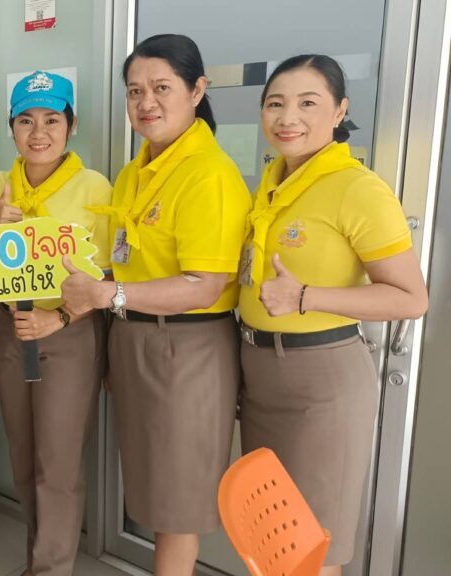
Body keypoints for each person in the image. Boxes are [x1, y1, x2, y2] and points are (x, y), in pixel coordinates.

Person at [61, 34, 251, 575]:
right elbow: (126, 260)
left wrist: (108, 295)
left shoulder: (208, 174)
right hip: (137, 337)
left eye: (162, 88)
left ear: (197, 90)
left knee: (176, 503)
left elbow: (204, 285)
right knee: (152, 487)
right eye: (134, 90)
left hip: (187, 347)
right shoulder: (135, 172)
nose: (146, 102)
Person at [237, 54, 428, 574]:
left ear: (340, 110)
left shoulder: (357, 188)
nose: (287, 117)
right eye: (275, 104)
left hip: (321, 380)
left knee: (311, 549)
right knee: (271, 540)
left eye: (307, 103)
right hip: (261, 373)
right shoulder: (273, 182)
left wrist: (306, 296)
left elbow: (411, 298)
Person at [0, 70, 111, 576]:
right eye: (26, 120)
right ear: (11, 126)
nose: (39, 132)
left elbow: (108, 276)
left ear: (71, 125)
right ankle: (38, 560)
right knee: (24, 454)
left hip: (68, 332)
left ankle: (51, 569)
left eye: (52, 119)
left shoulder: (94, 187)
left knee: (58, 462)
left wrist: (59, 316)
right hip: (11, 329)